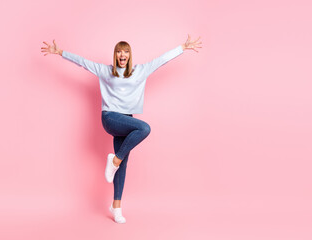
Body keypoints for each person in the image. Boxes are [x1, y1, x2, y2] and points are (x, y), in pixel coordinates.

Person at [41, 35, 202, 223]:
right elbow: (82, 63)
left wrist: (183, 47)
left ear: (129, 55)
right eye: (119, 52)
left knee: (122, 164)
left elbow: (162, 61)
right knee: (144, 128)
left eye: (125, 51)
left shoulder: (139, 71)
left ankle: (116, 206)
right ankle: (114, 160)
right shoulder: (106, 71)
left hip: (127, 120)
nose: (122, 54)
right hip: (110, 118)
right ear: (115, 55)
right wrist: (60, 52)